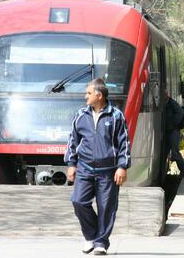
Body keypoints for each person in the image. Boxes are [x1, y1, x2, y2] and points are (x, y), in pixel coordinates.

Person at [64, 78, 131, 255]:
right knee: (78, 201)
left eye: (88, 93)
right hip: (85, 168)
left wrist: (122, 166)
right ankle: (91, 236)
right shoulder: (80, 115)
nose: (85, 96)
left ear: (98, 95)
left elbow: (124, 143)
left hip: (108, 171)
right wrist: (71, 163)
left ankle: (101, 242)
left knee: (106, 208)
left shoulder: (116, 116)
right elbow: (72, 140)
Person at [163, 89, 184, 178]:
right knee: (164, 153)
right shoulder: (163, 103)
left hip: (173, 131)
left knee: (175, 153)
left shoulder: (172, 103)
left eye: (164, 94)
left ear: (166, 95)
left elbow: (180, 113)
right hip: (166, 131)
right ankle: (162, 174)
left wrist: (174, 123)